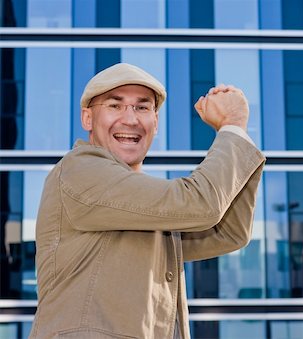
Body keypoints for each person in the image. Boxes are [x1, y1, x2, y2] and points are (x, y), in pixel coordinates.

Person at [29, 63, 265, 339]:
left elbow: (228, 233)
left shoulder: (143, 206)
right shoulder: (80, 169)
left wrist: (237, 137)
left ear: (155, 122)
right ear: (87, 119)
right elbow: (201, 205)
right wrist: (232, 127)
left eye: (142, 107)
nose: (130, 119)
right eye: (115, 106)